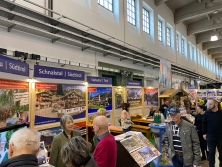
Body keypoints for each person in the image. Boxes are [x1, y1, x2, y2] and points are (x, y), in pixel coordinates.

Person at [202, 98, 222, 167]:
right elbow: (204, 123)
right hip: (210, 136)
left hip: (220, 136)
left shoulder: (221, 113)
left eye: (210, 104)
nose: (209, 106)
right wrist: (204, 133)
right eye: (208, 104)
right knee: (211, 153)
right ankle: (211, 165)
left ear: (216, 104)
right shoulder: (207, 113)